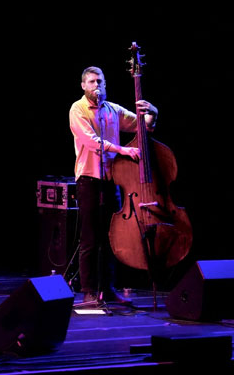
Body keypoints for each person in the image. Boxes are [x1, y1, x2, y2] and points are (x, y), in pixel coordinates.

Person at [69, 66, 158, 304]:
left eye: (100, 81)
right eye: (91, 81)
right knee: (89, 238)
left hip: (111, 181)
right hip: (89, 180)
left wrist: (152, 113)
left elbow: (142, 125)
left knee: (110, 238)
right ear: (83, 86)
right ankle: (88, 290)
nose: (97, 85)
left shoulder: (112, 110)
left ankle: (107, 289)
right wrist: (123, 150)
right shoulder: (77, 109)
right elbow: (91, 141)